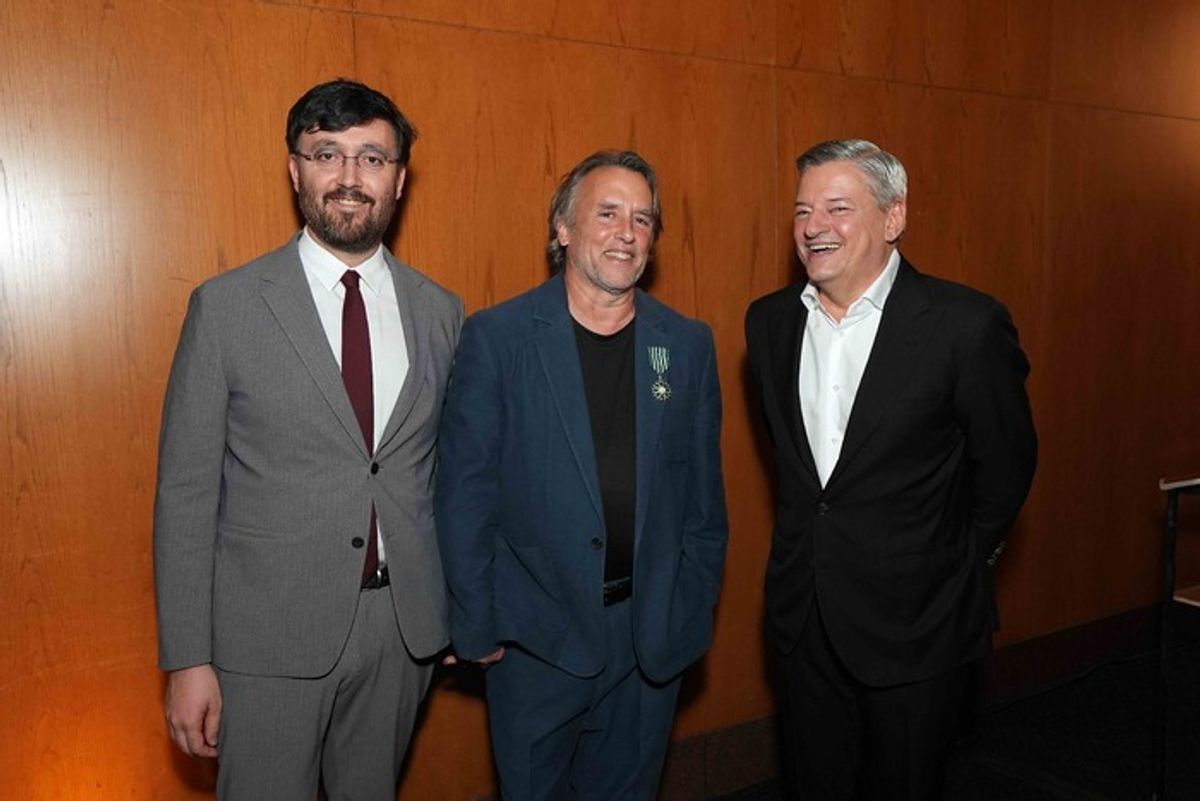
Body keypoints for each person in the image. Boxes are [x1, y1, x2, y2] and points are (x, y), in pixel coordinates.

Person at [153, 79, 462, 800]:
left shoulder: (441, 312)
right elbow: (185, 494)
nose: (350, 176)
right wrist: (188, 659)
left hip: (401, 633)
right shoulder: (226, 307)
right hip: (265, 638)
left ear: (399, 179)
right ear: (295, 169)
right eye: (327, 154)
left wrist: (457, 608)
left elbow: (444, 474)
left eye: (372, 158)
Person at [744, 139, 1037, 800]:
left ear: (893, 217)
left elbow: (1007, 466)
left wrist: (952, 561)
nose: (814, 226)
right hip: (802, 619)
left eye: (838, 207)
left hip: (919, 623)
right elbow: (803, 476)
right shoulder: (768, 325)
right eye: (802, 211)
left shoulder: (965, 325)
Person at [435, 149, 728, 800]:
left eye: (643, 219)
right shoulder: (498, 338)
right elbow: (465, 495)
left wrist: (688, 611)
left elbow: (704, 506)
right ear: (563, 228)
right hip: (535, 644)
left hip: (648, 645)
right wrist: (476, 625)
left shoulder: (686, 345)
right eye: (608, 213)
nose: (627, 232)